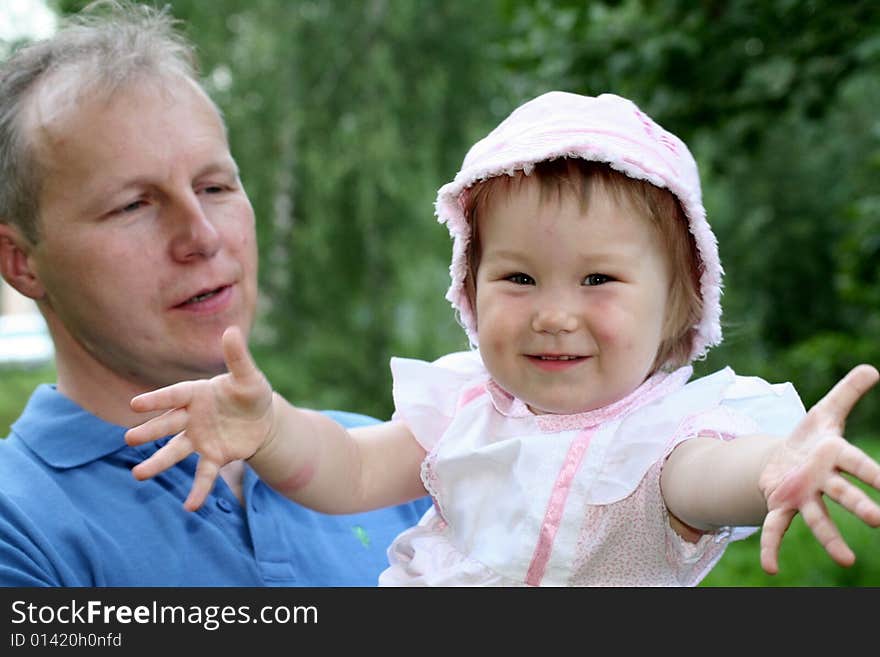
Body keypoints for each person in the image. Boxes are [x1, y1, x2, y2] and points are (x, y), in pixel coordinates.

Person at [126, 91, 880, 587]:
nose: (554, 314)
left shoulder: (660, 441)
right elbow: (349, 471)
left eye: (597, 281)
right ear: (469, 287)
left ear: (679, 306)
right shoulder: (464, 409)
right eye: (518, 279)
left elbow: (709, 478)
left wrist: (774, 465)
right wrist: (270, 427)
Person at [0, 0, 429, 587]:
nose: (201, 236)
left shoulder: (391, 461)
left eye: (215, 186)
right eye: (134, 205)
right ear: (22, 262)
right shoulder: (18, 525)